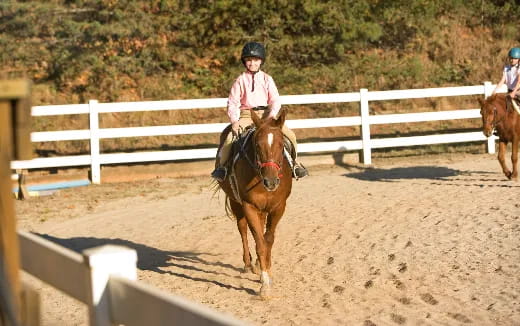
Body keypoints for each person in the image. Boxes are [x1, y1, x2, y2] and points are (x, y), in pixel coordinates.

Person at [211, 41, 308, 182]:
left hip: (267, 115)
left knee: (290, 135)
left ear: (261, 61)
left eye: (255, 60)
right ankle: (223, 168)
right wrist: (234, 121)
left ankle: (294, 164)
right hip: (247, 115)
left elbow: (275, 100)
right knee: (229, 139)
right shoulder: (240, 80)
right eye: (249, 60)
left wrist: (272, 116)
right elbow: (233, 102)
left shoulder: (267, 79)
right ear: (244, 61)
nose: (252, 63)